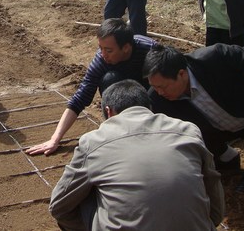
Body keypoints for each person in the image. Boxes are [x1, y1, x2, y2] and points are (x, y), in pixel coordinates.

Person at [49, 80, 225, 231]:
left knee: (85, 194)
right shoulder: (188, 130)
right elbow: (215, 206)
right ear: (148, 107)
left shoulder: (93, 141)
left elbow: (59, 207)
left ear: (108, 112)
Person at [144, 43, 244, 194]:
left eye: (162, 87)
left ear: (181, 73)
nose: (159, 92)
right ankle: (227, 155)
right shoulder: (157, 98)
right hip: (217, 133)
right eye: (154, 87)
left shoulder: (212, 58)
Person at [26, 18, 155, 156]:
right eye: (101, 48)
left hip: (147, 93)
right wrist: (54, 139)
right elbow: (80, 98)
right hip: (123, 93)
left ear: (126, 48)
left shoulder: (150, 49)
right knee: (109, 78)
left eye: (109, 50)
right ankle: (117, 131)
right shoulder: (101, 60)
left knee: (159, 83)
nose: (103, 54)